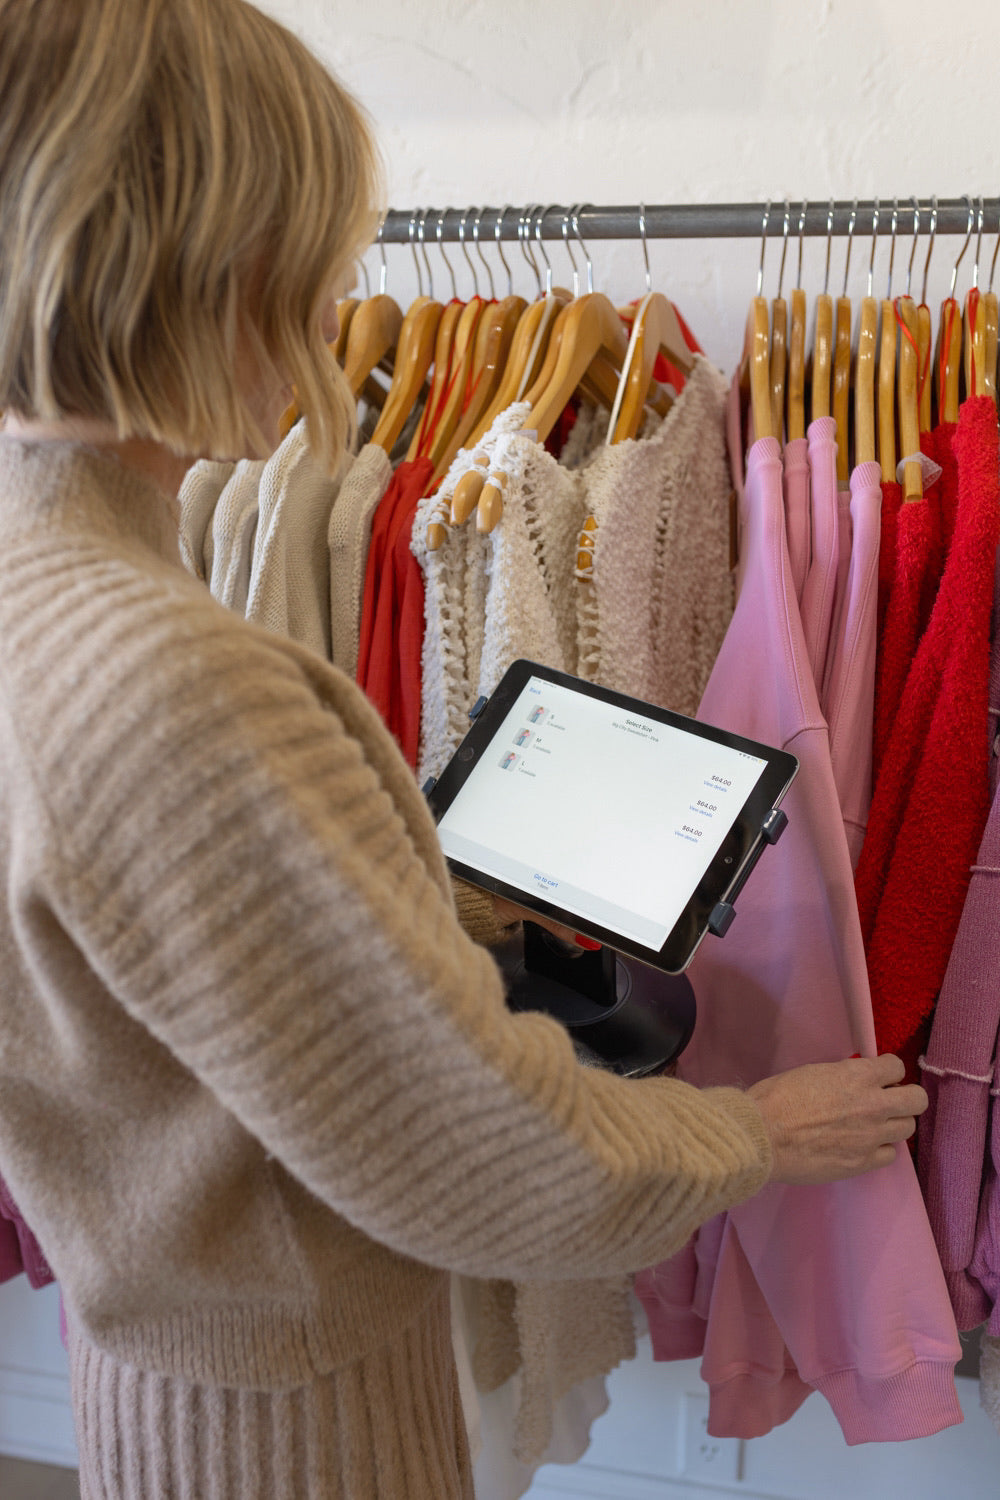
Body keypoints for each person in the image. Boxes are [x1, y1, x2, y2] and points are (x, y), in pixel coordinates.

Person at [0, 1, 927, 1495]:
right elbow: (486, 1155)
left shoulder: (37, 600)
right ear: (195, 266)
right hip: (297, 1436)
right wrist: (751, 1131)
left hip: (166, 1373)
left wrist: (398, 907)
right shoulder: (179, 680)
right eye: (304, 260)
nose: (331, 320)